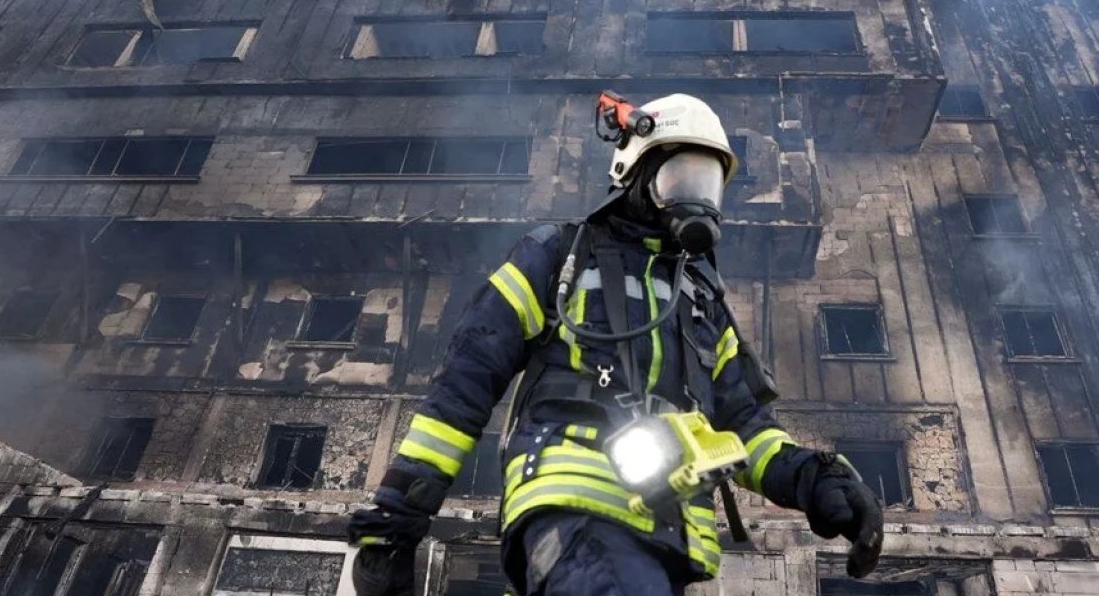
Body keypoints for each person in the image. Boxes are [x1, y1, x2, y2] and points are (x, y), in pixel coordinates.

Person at [347, 93, 884, 596]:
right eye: (680, 179)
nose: (695, 199)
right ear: (636, 170)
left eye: (708, 185)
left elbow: (743, 428)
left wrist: (814, 478)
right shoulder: (560, 259)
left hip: (665, 533)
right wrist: (398, 518)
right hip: (574, 501)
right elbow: (462, 389)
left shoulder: (701, 302)